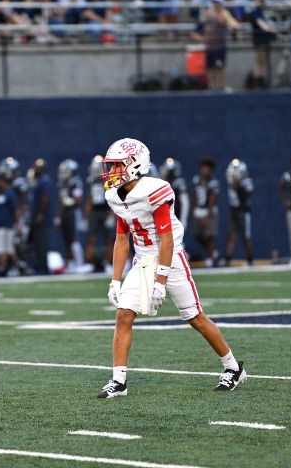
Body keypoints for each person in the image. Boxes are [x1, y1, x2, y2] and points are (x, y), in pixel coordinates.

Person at [97, 138, 246, 398]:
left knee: (195, 317)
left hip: (171, 258)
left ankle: (233, 368)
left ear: (135, 165)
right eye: (112, 166)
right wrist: (115, 280)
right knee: (123, 315)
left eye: (118, 165)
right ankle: (119, 381)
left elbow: (166, 240)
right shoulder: (114, 195)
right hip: (143, 259)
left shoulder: (154, 190)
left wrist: (160, 282)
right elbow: (122, 239)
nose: (112, 171)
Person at [192, 0, 239, 91]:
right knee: (209, 68)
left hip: (219, 46)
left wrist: (233, 27)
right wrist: (201, 38)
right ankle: (210, 87)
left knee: (219, 67)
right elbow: (200, 26)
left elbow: (233, 23)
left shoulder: (224, 13)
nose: (215, 4)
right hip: (209, 46)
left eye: (217, 2)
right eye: (214, 1)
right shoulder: (208, 13)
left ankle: (224, 87)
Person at [83, 155, 115, 273]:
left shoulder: (109, 180)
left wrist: (112, 215)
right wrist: (86, 217)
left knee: (109, 239)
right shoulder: (91, 180)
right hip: (95, 212)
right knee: (91, 238)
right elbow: (89, 200)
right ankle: (89, 263)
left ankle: (111, 263)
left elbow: (113, 199)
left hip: (106, 210)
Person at [54, 158, 85, 273]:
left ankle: (79, 263)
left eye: (66, 171)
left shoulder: (75, 182)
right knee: (67, 240)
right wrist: (58, 217)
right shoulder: (62, 183)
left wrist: (67, 201)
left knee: (73, 239)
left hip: (73, 213)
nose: (63, 174)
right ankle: (70, 263)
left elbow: (78, 201)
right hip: (65, 214)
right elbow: (60, 202)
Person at [223, 159, 254, 266]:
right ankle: (227, 258)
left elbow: (245, 197)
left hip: (243, 212)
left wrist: (238, 185)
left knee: (246, 236)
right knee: (231, 235)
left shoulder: (247, 182)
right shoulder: (231, 182)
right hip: (233, 211)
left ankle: (249, 258)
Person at [190, 156, 219, 267]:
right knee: (197, 234)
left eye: (206, 168)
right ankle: (212, 252)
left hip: (208, 211)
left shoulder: (213, 183)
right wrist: (192, 209)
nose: (204, 170)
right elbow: (194, 195)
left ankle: (209, 258)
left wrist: (208, 216)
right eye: (203, 167)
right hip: (198, 210)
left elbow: (213, 199)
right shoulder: (197, 180)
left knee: (209, 236)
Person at [0, 173, 21, 276]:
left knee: (3, 248)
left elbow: (16, 210)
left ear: (3, 181)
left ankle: (2, 268)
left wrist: (18, 225)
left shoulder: (10, 194)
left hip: (7, 225)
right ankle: (18, 266)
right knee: (8, 249)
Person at [27, 158, 53, 275]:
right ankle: (39, 266)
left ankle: (43, 268)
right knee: (37, 244)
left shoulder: (44, 180)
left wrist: (40, 215)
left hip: (41, 218)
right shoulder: (37, 181)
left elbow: (45, 198)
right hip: (36, 217)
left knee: (42, 244)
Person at [249, 0, 277, 89]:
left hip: (265, 41)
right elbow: (261, 24)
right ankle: (257, 83)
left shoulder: (264, 12)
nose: (262, 2)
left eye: (263, 0)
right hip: (259, 41)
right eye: (260, 0)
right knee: (259, 63)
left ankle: (262, 82)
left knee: (262, 63)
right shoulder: (255, 12)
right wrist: (271, 30)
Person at [158, 157, 189, 231]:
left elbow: (184, 203)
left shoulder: (179, 185)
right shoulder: (161, 184)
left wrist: (183, 219)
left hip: (175, 216)